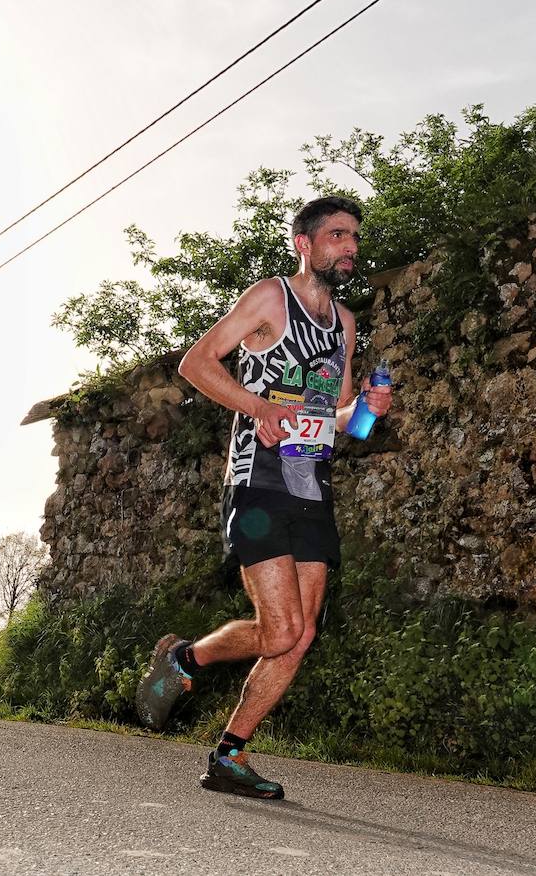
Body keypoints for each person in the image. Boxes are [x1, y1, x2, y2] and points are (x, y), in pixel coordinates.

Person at [135, 196, 394, 800]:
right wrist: (256, 407)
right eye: (336, 235)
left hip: (312, 485)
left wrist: (368, 412)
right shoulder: (268, 299)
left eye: (354, 236)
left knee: (298, 636)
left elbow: (340, 418)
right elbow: (195, 363)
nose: (350, 246)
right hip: (259, 483)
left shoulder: (346, 325)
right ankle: (185, 660)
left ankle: (229, 756)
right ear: (304, 244)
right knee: (279, 630)